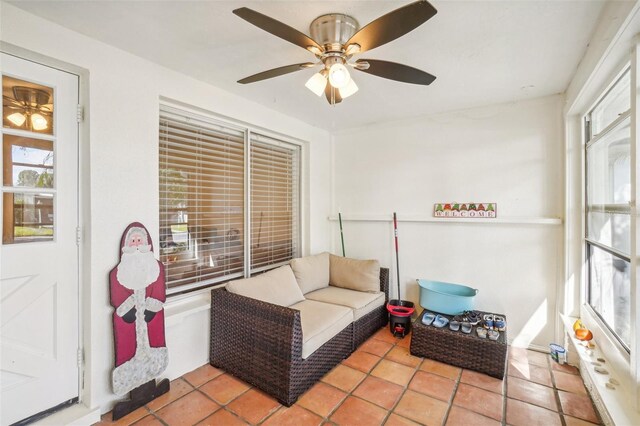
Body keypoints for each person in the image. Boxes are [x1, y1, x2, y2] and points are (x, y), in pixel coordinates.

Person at [109, 222, 168, 396]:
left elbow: (159, 292)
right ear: (126, 245)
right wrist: (127, 309)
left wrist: (152, 306)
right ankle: (130, 384)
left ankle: (152, 375)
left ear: (146, 243)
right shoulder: (118, 273)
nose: (136, 244)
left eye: (139, 240)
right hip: (129, 317)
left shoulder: (156, 268)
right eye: (132, 241)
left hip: (151, 316)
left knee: (154, 344)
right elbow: (117, 297)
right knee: (128, 349)